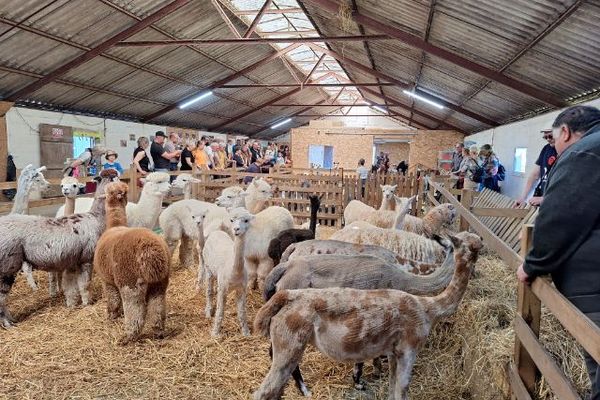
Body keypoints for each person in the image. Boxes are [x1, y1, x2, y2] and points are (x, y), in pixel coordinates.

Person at [516, 105, 600, 400]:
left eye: (554, 139)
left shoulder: (583, 153)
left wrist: (533, 264)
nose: (555, 147)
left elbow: (560, 216)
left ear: (564, 132)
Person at [516, 129, 558, 207]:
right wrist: (523, 197)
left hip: (556, 202)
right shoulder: (546, 149)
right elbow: (534, 175)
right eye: (545, 137)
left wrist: (546, 199)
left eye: (550, 136)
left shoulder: (568, 151)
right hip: (544, 198)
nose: (548, 139)